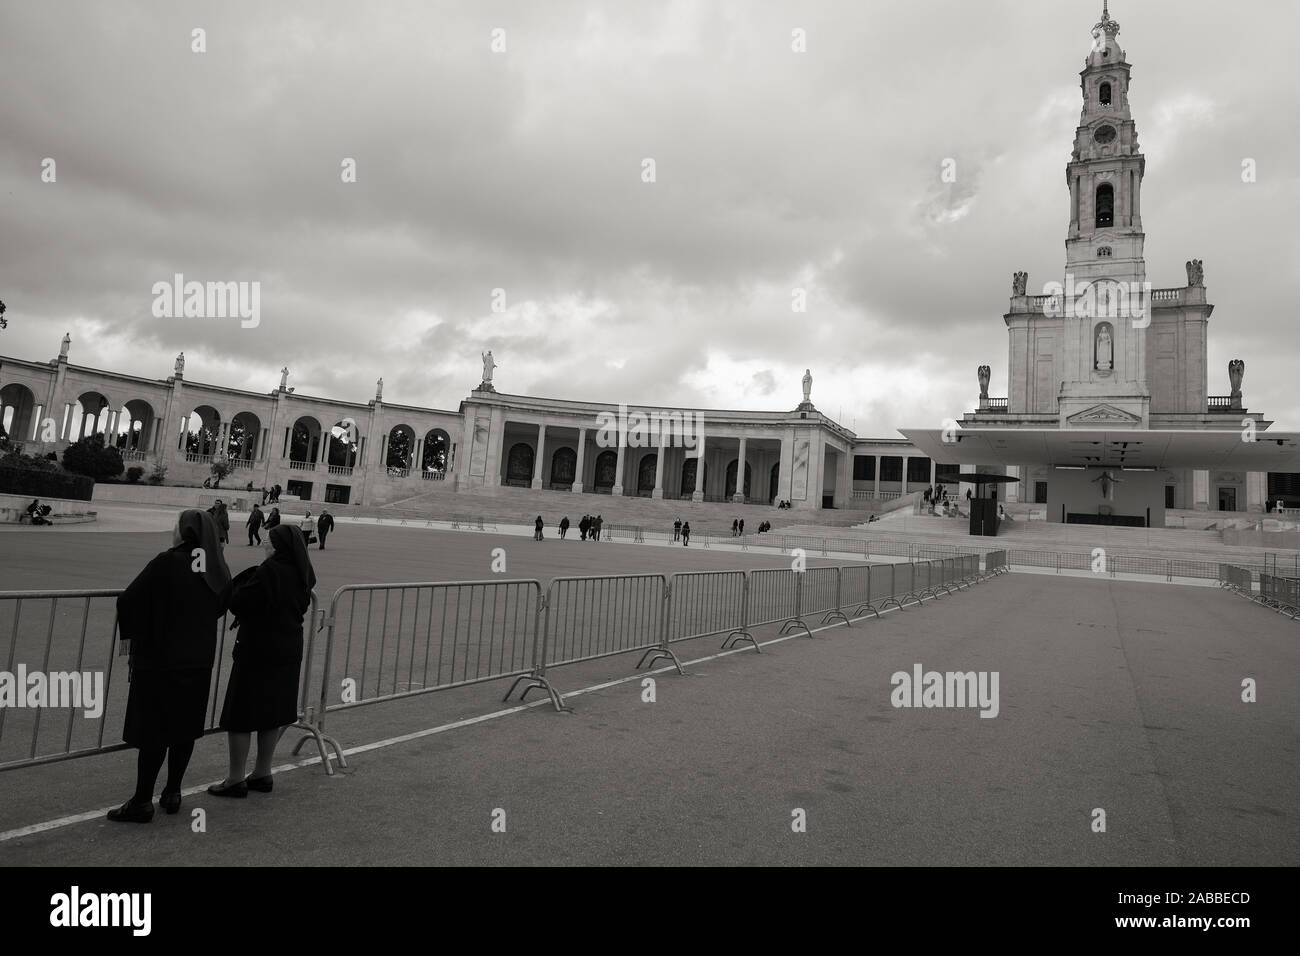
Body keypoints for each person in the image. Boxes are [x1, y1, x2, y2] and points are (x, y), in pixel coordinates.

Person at [108, 510, 232, 822]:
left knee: (155, 730)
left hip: (161, 659)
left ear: (184, 531)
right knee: (184, 727)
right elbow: (219, 604)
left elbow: (129, 600)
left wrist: (132, 640)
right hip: (198, 660)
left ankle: (141, 800)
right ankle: (173, 791)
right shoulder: (214, 565)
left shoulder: (168, 561)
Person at [209, 525, 315, 798]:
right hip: (288, 647)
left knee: (240, 714)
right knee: (273, 713)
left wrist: (237, 585)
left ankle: (235, 778)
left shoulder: (269, 571)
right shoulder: (303, 571)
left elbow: (240, 602)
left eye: (268, 541)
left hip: (259, 647)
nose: (264, 545)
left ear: (278, 546)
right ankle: (262, 772)